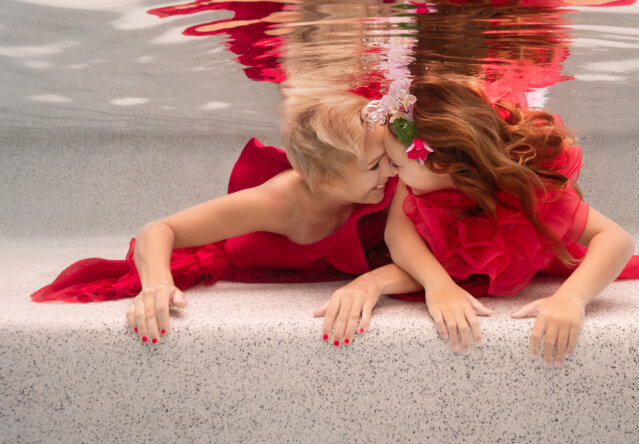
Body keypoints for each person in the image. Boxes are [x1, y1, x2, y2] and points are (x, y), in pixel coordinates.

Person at [31, 88, 423, 347]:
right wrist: (155, 285)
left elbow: (425, 255)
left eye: (388, 160)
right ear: (325, 177)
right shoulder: (276, 200)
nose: (391, 171)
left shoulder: (391, 180)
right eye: (376, 165)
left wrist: (372, 282)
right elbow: (158, 229)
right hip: (262, 259)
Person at [353, 76, 639, 367]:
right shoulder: (418, 176)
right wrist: (437, 284)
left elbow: (617, 239)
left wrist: (572, 298)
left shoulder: (524, 191)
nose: (388, 172)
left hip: (521, 237)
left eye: (395, 164)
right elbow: (397, 231)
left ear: (441, 167)